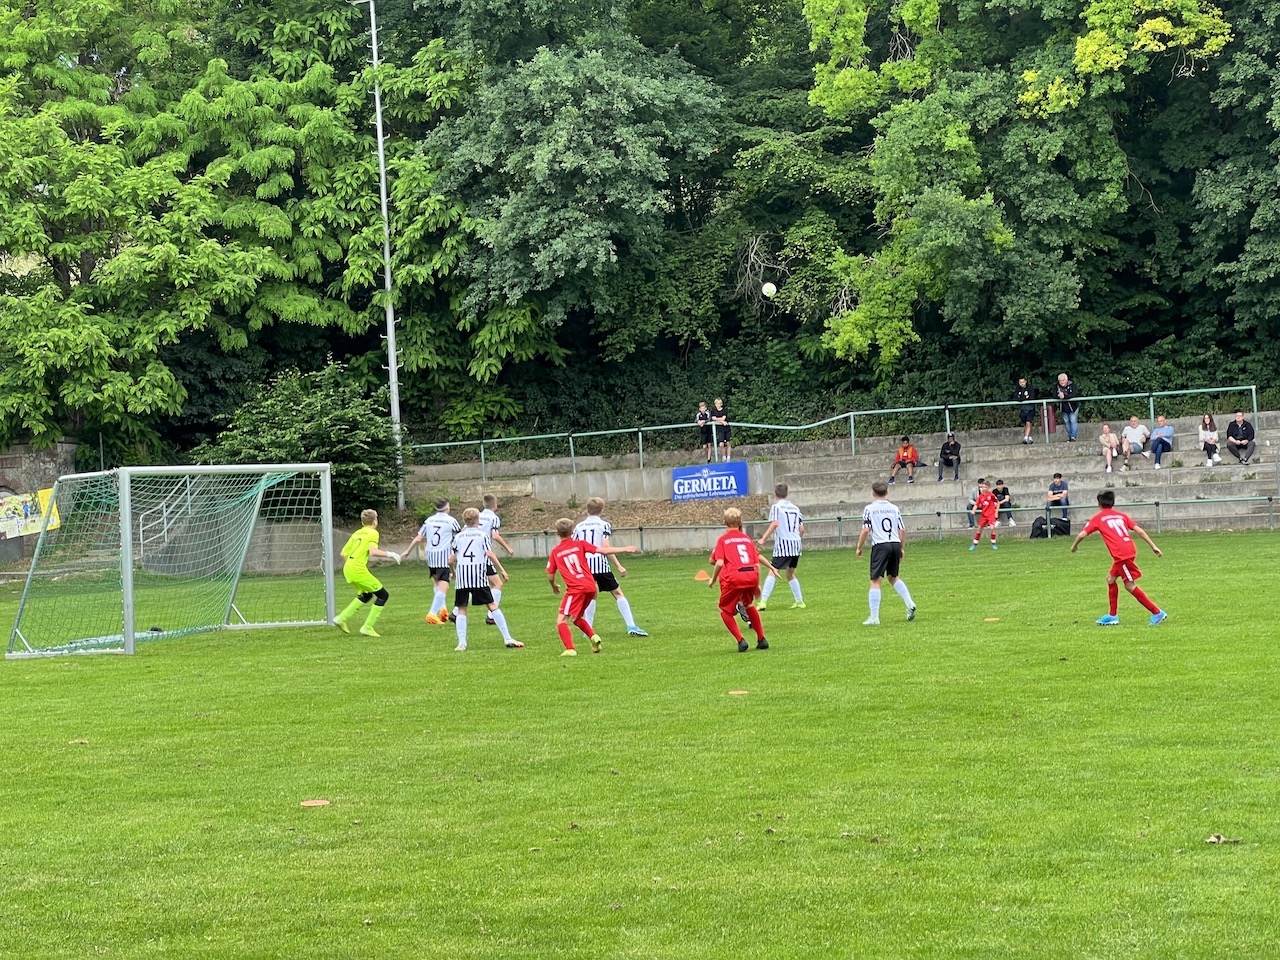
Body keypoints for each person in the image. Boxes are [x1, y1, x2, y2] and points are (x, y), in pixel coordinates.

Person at [1069, 489, 1167, 626]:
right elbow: (1139, 530)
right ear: (1113, 503)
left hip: (1122, 555)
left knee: (1129, 585)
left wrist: (1074, 546)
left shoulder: (1098, 518)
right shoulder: (1121, 516)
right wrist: (1153, 546)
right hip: (1128, 550)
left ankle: (1157, 612)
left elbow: (1082, 534)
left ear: (1098, 503)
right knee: (1110, 580)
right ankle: (1112, 615)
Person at [547, 517, 638, 655]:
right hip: (591, 587)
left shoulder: (556, 552)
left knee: (562, 620)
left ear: (557, 533)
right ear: (572, 532)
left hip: (575, 589)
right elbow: (603, 551)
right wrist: (625, 548)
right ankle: (594, 637)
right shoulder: (580, 544)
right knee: (576, 618)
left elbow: (550, 575)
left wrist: (553, 585)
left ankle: (570, 649)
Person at [573, 497, 649, 637]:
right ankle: (631, 626)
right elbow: (605, 547)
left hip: (585, 566)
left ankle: (587, 630)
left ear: (587, 509)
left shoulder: (579, 527)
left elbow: (574, 547)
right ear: (601, 510)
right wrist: (619, 566)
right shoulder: (604, 525)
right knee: (618, 593)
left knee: (591, 596)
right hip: (600, 565)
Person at [450, 508, 522, 651]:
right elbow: (489, 554)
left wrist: (453, 572)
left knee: (462, 609)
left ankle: (462, 643)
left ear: (464, 520)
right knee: (492, 605)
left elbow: (450, 560)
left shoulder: (458, 537)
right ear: (478, 520)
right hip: (478, 576)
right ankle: (507, 638)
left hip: (462, 578)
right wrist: (502, 569)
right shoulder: (482, 536)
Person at [707, 507, 774, 652]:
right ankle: (761, 639)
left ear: (724, 522)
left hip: (735, 577)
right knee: (748, 604)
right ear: (740, 522)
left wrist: (713, 579)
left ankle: (740, 640)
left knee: (724, 609)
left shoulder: (723, 540)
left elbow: (718, 562)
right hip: (751, 575)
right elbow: (756, 561)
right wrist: (757, 584)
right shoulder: (747, 539)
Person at [855, 480, 917, 625]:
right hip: (894, 543)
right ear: (887, 492)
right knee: (893, 577)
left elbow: (866, 530)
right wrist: (901, 548)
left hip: (880, 545)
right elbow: (902, 529)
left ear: (873, 493)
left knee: (875, 580)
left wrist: (859, 547)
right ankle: (910, 603)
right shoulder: (894, 508)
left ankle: (874, 617)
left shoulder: (869, 509)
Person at [334, 508, 402, 637]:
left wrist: (353, 564)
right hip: (357, 569)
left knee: (367, 594)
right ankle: (367, 627)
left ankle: (341, 618)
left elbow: (343, 553)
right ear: (375, 521)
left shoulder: (357, 533)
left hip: (348, 568)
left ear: (362, 522)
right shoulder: (373, 533)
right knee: (383, 595)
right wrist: (391, 554)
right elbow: (373, 552)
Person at [405, 497, 462, 624]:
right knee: (444, 585)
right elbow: (460, 536)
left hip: (431, 556)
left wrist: (408, 550)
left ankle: (443, 610)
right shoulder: (451, 521)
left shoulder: (429, 520)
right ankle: (432, 613)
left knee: (437, 583)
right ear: (447, 507)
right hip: (443, 557)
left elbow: (419, 538)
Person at [757, 482, 805, 610]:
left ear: (775, 494)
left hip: (783, 545)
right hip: (796, 545)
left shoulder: (776, 507)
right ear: (787, 493)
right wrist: (797, 539)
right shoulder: (795, 508)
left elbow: (775, 523)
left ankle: (763, 602)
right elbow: (801, 529)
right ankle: (800, 601)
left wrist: (763, 539)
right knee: (790, 573)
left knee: (773, 570)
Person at [478, 494, 515, 625]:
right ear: (495, 504)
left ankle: (456, 612)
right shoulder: (493, 518)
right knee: (497, 584)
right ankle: (492, 615)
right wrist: (507, 547)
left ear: (484, 504)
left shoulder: (477, 516)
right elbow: (494, 535)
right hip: (484, 554)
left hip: (472, 555)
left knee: (472, 584)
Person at [969, 479, 999, 550]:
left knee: (992, 528)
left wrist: (996, 512)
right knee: (979, 529)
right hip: (984, 515)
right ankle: (974, 545)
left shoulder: (991, 495)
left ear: (988, 487)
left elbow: (998, 502)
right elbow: (976, 504)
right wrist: (973, 510)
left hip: (991, 514)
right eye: (982, 487)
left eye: (985, 487)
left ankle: (993, 544)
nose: (984, 488)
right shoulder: (980, 496)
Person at [1055, 372, 1080, 441]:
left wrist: (1065, 396)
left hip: (1073, 407)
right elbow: (1054, 395)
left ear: (1066, 380)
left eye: (1063, 380)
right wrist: (1058, 396)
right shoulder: (1056, 386)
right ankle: (1070, 436)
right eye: (1060, 381)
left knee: (1073, 420)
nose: (1062, 382)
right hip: (1063, 408)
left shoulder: (1072, 385)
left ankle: (1073, 436)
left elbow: (1075, 394)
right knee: (1066, 422)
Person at [1015, 377, 1036, 443]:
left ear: (1026, 381)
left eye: (1023, 382)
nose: (1022, 383)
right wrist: (1023, 399)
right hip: (1023, 408)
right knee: (1025, 423)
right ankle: (1029, 437)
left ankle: (1025, 437)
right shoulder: (1018, 389)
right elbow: (1016, 397)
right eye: (1020, 382)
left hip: (1030, 408)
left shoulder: (1030, 388)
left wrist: (1022, 399)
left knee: (1028, 421)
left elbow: (1031, 397)